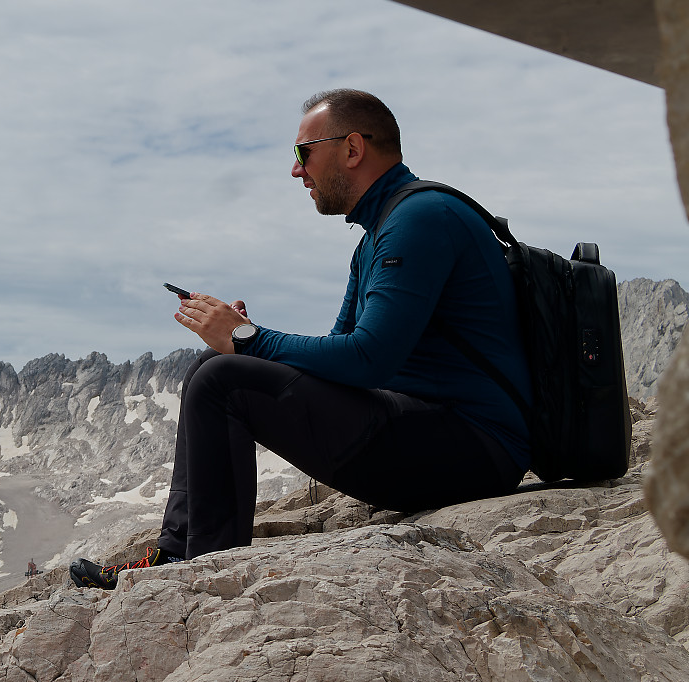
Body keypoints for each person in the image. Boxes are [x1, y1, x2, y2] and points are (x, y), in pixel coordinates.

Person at [70, 89, 530, 590]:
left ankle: (199, 577)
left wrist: (250, 339)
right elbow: (342, 354)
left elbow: (368, 360)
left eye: (302, 153)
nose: (296, 171)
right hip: (432, 432)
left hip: (475, 450)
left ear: (352, 149)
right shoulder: (380, 232)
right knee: (212, 366)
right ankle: (179, 555)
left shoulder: (419, 220)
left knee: (223, 380)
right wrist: (243, 342)